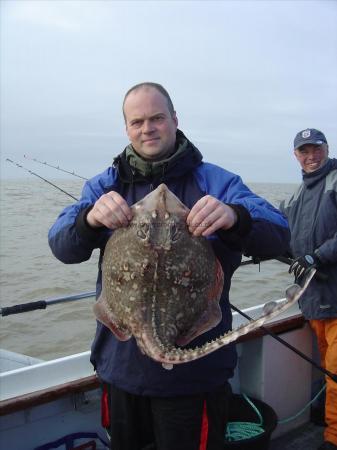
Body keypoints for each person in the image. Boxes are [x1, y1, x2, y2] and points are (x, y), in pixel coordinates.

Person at [48, 82, 290, 450]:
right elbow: (61, 244)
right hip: (121, 370)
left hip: (194, 376)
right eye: (137, 121)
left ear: (175, 120)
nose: (148, 128)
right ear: (127, 128)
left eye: (157, 118)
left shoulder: (217, 183)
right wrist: (89, 220)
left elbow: (279, 234)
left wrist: (235, 215)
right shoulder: (104, 186)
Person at [280, 128, 337, 450]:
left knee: (336, 374)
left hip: (336, 297)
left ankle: (333, 438)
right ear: (296, 156)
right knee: (328, 367)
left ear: (327, 148)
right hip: (315, 300)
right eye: (304, 151)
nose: (311, 156)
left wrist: (317, 256)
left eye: (316, 149)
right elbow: (278, 226)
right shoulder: (298, 195)